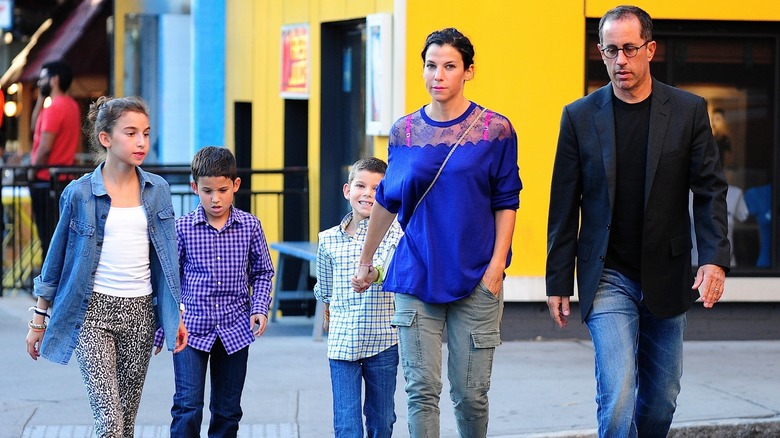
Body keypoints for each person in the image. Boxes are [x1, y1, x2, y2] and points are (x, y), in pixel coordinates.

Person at [545, 5, 730, 438]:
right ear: (601, 52)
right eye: (611, 50)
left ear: (650, 49)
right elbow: (563, 202)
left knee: (661, 397)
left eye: (630, 49)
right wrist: (557, 281)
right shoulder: (579, 116)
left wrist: (714, 259)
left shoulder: (687, 111)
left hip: (667, 273)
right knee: (618, 393)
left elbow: (709, 189)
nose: (620, 60)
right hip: (608, 273)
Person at [352, 28, 522, 437]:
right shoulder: (404, 132)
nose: (438, 75)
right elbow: (387, 201)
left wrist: (496, 267)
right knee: (421, 390)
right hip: (416, 273)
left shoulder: (495, 130)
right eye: (431, 65)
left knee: (470, 394)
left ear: (469, 71)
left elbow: (507, 201)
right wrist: (366, 258)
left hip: (476, 275)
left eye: (449, 66)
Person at [24, 96, 188, 437]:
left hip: (141, 314)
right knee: (110, 423)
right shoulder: (79, 193)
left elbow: (168, 260)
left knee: (125, 425)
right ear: (105, 138)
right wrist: (39, 319)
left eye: (145, 133)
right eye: (130, 133)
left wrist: (176, 313)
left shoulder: (158, 190)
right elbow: (55, 259)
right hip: (93, 313)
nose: (141, 141)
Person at [153, 146, 275, 437]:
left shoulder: (250, 226)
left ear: (235, 185)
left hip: (235, 329)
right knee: (187, 406)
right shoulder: (181, 229)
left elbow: (263, 272)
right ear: (195, 187)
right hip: (190, 330)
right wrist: (163, 327)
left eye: (222, 189)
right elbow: (169, 281)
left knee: (227, 410)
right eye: (207, 190)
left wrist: (259, 308)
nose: (215, 198)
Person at [314, 157, 404, 438]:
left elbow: (392, 271)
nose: (368, 194)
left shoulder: (395, 234)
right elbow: (325, 289)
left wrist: (373, 274)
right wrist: (329, 317)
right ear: (347, 190)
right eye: (361, 186)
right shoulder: (327, 239)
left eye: (377, 189)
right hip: (342, 343)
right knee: (347, 425)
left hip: (383, 341)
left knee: (382, 421)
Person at [29, 60, 81, 260]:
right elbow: (35, 126)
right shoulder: (71, 106)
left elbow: (44, 146)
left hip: (46, 178)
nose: (40, 81)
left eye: (43, 78)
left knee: (46, 234)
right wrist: (42, 97)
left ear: (55, 79)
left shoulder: (55, 108)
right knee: (59, 233)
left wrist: (32, 171)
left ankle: (47, 284)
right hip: (63, 177)